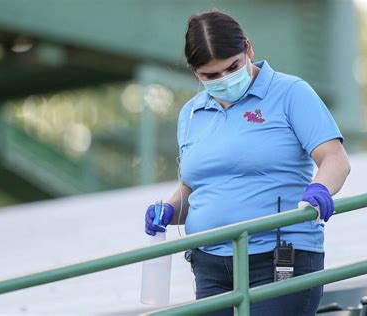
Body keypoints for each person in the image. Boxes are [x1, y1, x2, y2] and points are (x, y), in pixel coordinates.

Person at [144, 9, 350, 316]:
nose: (224, 80)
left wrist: (320, 189)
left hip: (280, 256)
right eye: (210, 76)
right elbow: (195, 186)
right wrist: (170, 209)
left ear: (248, 49)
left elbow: (334, 158)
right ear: (194, 73)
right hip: (210, 265)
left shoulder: (290, 92)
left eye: (232, 67)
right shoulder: (190, 114)